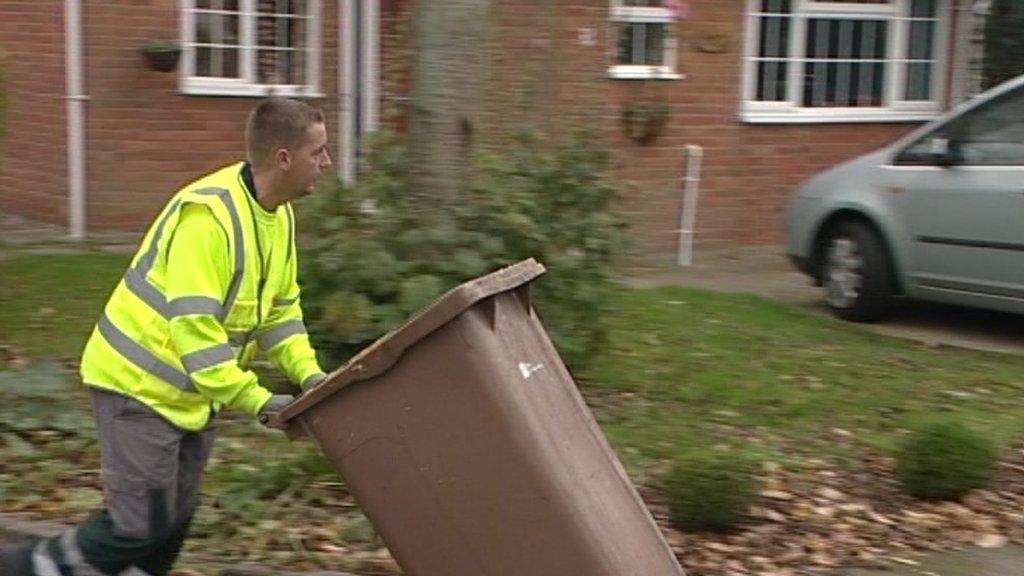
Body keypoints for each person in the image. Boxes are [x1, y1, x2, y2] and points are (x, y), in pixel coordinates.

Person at [2, 98, 333, 576]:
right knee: (137, 527)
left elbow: (281, 313)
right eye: (318, 151)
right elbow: (197, 338)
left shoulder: (276, 217)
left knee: (172, 522)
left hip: (189, 394)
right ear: (284, 158)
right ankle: (24, 567)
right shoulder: (208, 220)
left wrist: (311, 375)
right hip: (137, 386)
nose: (326, 162)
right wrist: (260, 401)